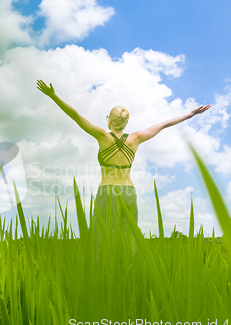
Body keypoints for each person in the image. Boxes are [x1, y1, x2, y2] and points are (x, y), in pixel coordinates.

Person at [36, 79, 211, 242]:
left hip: (107, 191)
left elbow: (75, 116)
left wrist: (53, 96)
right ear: (126, 123)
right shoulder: (136, 138)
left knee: (101, 237)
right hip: (129, 192)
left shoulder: (102, 136)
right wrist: (190, 115)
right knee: (127, 237)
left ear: (110, 121)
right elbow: (164, 124)